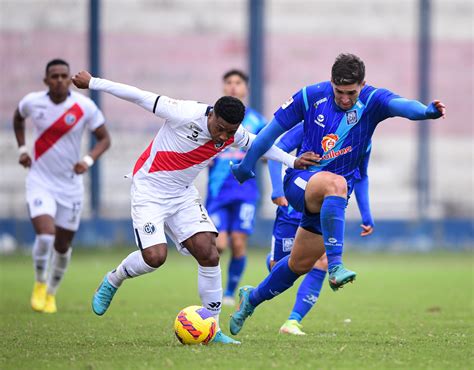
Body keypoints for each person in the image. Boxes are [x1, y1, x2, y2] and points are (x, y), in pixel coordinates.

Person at [71, 70, 318, 344]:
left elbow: (260, 145)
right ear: (211, 115)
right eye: (220, 128)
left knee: (210, 253)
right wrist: (92, 83)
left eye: (230, 132)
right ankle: (113, 279)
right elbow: (137, 95)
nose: (223, 136)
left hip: (182, 196)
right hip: (150, 190)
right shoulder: (183, 112)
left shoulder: (233, 133)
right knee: (155, 257)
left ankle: (213, 328)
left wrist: (293, 162)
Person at [228, 53, 446, 335]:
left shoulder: (373, 100)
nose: (344, 99)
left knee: (297, 265)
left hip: (331, 199)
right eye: (339, 92)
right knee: (337, 184)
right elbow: (269, 135)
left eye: (351, 93)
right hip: (300, 181)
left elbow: (402, 106)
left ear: (362, 85)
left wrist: (426, 112)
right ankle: (336, 265)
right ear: (331, 83)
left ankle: (251, 299)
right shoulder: (309, 96)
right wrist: (246, 166)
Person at [13, 59, 110, 313]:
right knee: (45, 235)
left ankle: (52, 293)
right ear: (46, 81)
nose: (58, 80)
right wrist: (23, 149)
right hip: (40, 180)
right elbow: (17, 118)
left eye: (63, 76)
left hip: (70, 185)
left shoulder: (84, 106)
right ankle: (39, 283)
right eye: (53, 76)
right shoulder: (33, 102)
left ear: (69, 79)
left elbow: (104, 139)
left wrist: (87, 160)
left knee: (63, 246)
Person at [266, 122, 374, 335]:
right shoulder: (311, 122)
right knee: (281, 266)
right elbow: (277, 149)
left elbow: (361, 177)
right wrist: (278, 190)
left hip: (322, 211)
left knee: (322, 261)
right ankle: (256, 292)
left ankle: (293, 321)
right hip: (293, 207)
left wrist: (366, 213)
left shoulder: (363, 135)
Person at [206, 70, 267, 306]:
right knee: (218, 244)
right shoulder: (211, 120)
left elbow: (267, 153)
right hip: (218, 191)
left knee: (239, 243)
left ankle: (229, 293)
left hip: (245, 191)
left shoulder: (257, 122)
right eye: (229, 82)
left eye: (238, 83)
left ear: (246, 89)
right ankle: (214, 291)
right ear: (223, 87)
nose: (233, 87)